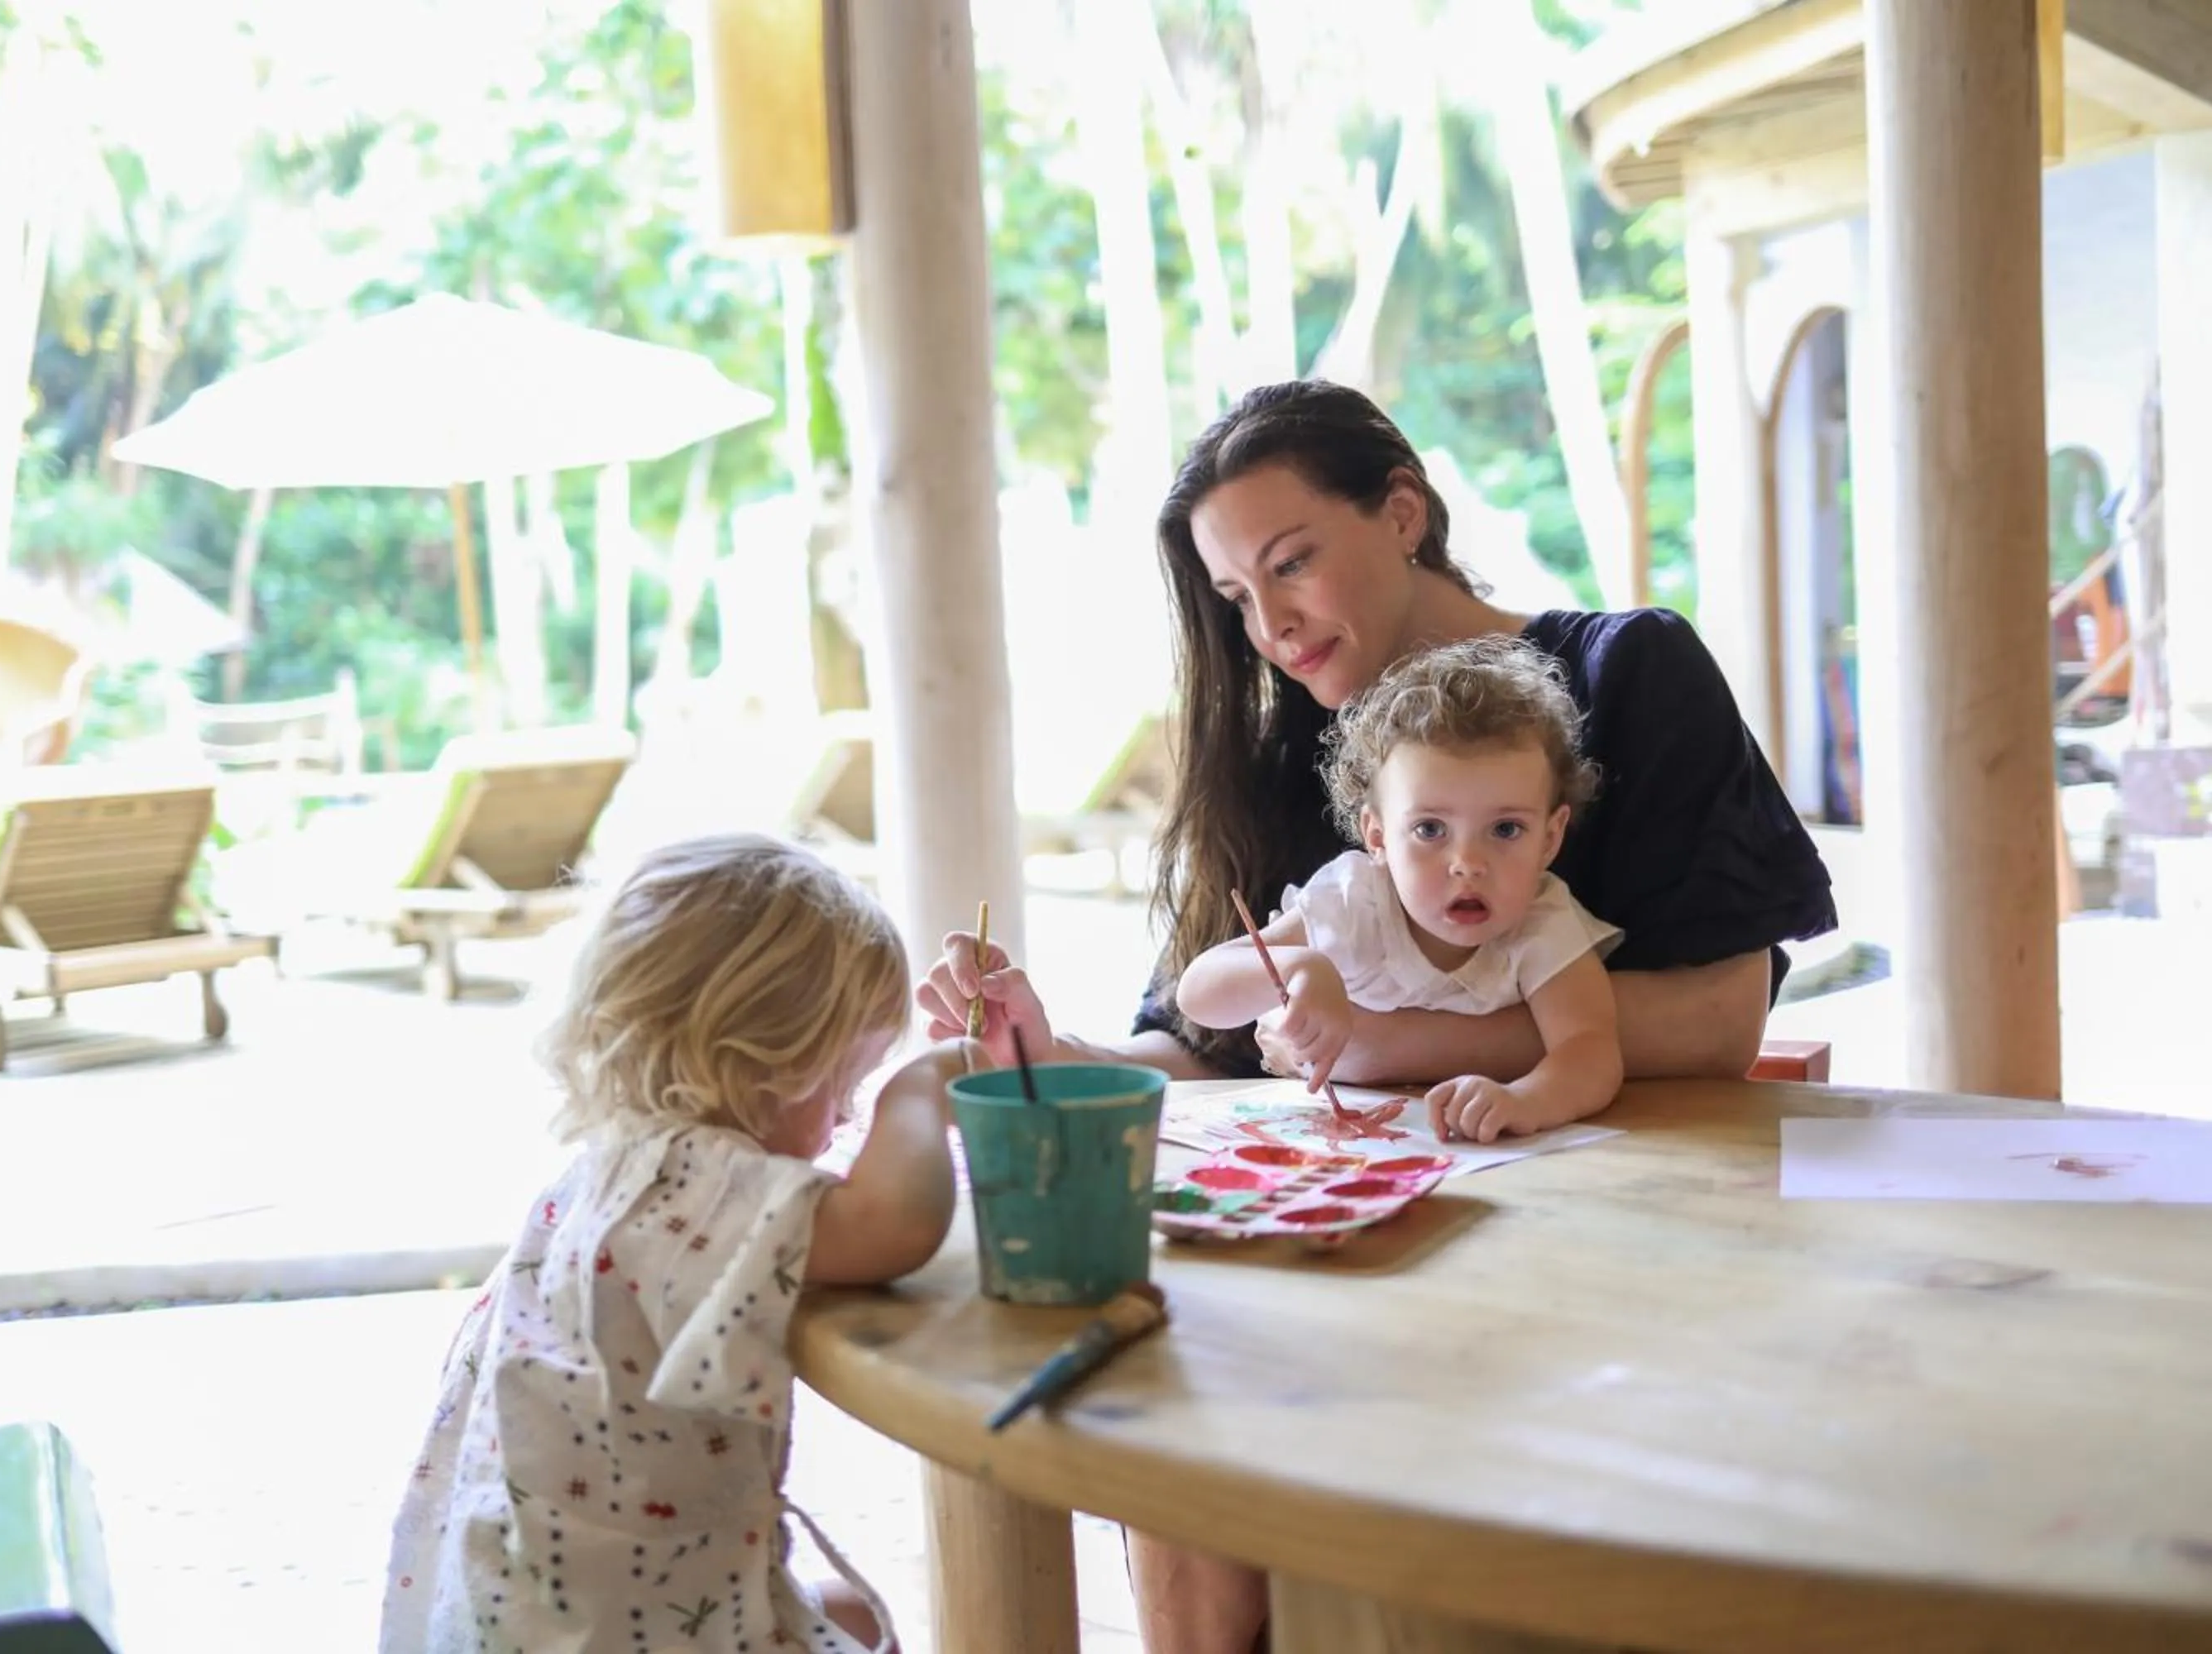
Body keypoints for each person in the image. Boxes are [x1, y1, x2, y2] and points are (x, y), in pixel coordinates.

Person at [917, 380, 1836, 1654]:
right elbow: (1202, 1045)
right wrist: (1046, 1055)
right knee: (1177, 1439)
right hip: (1360, 1249)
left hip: (1631, 1266)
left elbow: (1716, 1019)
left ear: (1402, 513)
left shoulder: (1628, 674)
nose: (1274, 623)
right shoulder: (1286, 753)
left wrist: (1396, 1044)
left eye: (1291, 563)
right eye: (1237, 598)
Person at [381, 832, 965, 1654]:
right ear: (760, 1058)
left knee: (854, 1615)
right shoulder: (702, 1184)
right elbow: (892, 1225)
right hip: (622, 1634)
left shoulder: (604, 1177)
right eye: (848, 1079)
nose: (845, 1118)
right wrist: (921, 1088)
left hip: (515, 1612)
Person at [1175, 635, 1623, 1143]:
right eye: (1430, 830)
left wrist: (1525, 1101)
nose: (1468, 864)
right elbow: (1197, 993)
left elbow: (1590, 1051)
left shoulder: (1542, 922)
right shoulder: (1354, 903)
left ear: (1550, 837)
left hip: (1483, 1163)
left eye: (1505, 830)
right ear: (1378, 836)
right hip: (1336, 1153)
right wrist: (1301, 965)